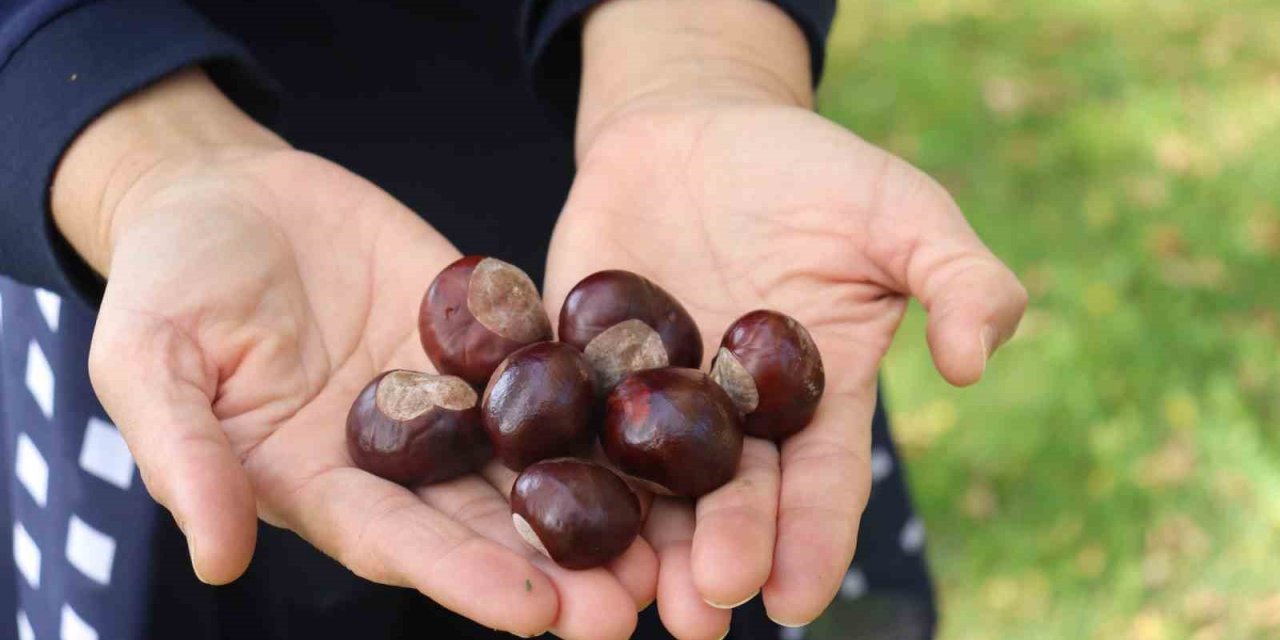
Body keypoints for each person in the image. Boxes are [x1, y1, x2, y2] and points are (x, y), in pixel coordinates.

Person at [0, 0, 1027, 638]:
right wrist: (133, 152)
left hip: (659, 191)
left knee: (728, 587)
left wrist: (701, 56)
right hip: (240, 312)